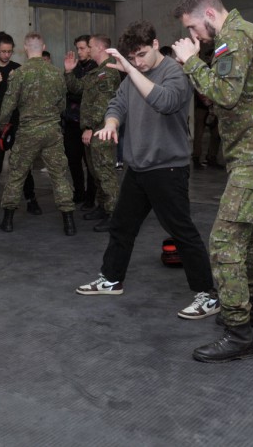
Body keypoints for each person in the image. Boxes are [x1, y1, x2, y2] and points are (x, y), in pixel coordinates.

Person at [172, 0, 253, 363]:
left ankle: (239, 333)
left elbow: (224, 95)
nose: (194, 35)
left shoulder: (233, 38)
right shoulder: (242, 33)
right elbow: (225, 93)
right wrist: (197, 64)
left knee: (224, 241)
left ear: (208, 14)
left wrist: (192, 62)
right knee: (244, 237)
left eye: (193, 27)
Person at [74, 21, 217, 319]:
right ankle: (111, 279)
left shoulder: (175, 73)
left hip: (168, 169)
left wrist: (130, 70)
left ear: (154, 44)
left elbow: (164, 101)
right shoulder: (132, 77)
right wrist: (111, 123)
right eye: (132, 58)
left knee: (182, 233)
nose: (138, 62)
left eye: (141, 55)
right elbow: (118, 103)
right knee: (121, 226)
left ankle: (208, 295)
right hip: (138, 168)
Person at [0, 32, 76, 236]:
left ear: (25, 48)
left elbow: (8, 105)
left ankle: (7, 221)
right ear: (44, 47)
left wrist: (1, 124)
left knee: (17, 175)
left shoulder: (19, 73)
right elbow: (62, 105)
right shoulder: (56, 73)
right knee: (59, 175)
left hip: (28, 133)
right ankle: (69, 222)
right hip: (51, 132)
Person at [64, 34, 121, 232]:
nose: (87, 50)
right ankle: (103, 207)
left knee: (105, 173)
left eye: (90, 46)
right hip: (94, 131)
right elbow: (78, 88)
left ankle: (114, 214)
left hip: (101, 130)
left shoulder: (109, 71)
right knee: (96, 173)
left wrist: (89, 127)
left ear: (100, 48)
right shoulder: (96, 72)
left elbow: (103, 104)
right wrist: (69, 72)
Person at [0, 32, 39, 214]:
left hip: (17, 125)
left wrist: (15, 82)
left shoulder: (18, 69)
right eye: (3, 51)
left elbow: (28, 98)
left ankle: (31, 199)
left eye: (9, 51)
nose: (6, 55)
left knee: (22, 164)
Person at [62, 35, 97, 207]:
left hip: (88, 123)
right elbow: (66, 89)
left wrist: (73, 91)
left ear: (91, 48)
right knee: (73, 160)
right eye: (77, 48)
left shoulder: (96, 68)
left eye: (82, 48)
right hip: (71, 122)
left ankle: (91, 198)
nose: (79, 52)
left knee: (90, 163)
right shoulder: (74, 67)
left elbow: (81, 92)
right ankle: (79, 193)